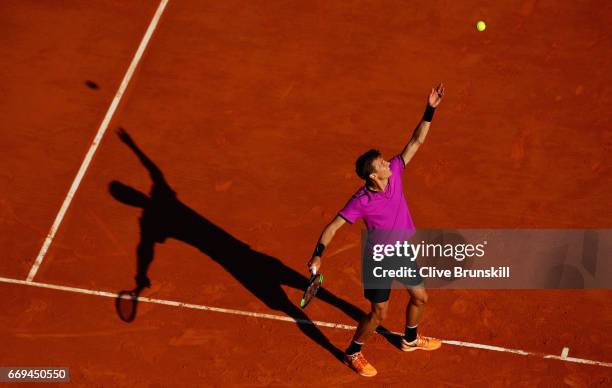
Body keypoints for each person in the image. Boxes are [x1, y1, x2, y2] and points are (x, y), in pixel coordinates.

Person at [307, 84, 445, 377]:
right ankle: (352, 352)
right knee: (378, 313)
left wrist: (430, 109)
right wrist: (318, 254)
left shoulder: (395, 171)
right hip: (379, 259)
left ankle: (409, 339)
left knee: (420, 297)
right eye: (382, 163)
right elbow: (333, 226)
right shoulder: (361, 201)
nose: (388, 163)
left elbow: (416, 141)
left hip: (402, 251)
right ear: (373, 175)